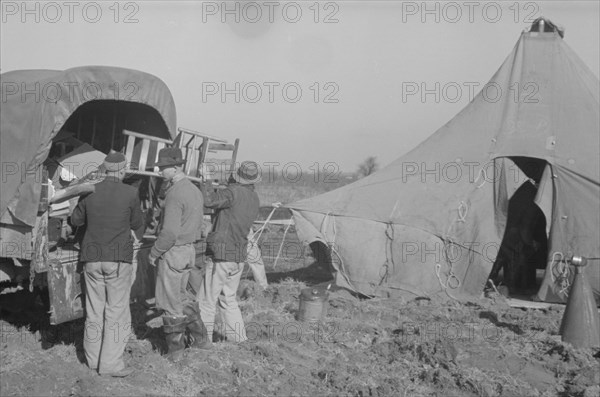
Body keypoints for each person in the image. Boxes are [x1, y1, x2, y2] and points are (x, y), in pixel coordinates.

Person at [71, 152, 143, 377]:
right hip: (118, 260)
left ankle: (92, 361)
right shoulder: (130, 193)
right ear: (121, 170)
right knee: (116, 312)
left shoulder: (89, 190)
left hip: (91, 260)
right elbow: (137, 223)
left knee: (94, 311)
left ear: (104, 169)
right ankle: (110, 365)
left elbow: (75, 221)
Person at [147, 148, 210, 362]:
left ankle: (176, 353)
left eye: (163, 168)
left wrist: (154, 253)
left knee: (169, 302)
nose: (160, 171)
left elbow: (170, 233)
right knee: (184, 297)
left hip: (173, 252)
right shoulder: (194, 190)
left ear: (175, 168)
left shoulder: (174, 193)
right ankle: (201, 341)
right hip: (189, 250)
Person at [198, 161, 261, 343]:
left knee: (207, 300)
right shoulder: (253, 197)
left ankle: (202, 342)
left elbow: (209, 200)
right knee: (229, 299)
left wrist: (206, 179)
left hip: (222, 254)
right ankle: (239, 340)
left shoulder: (233, 193)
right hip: (238, 256)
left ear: (237, 177)